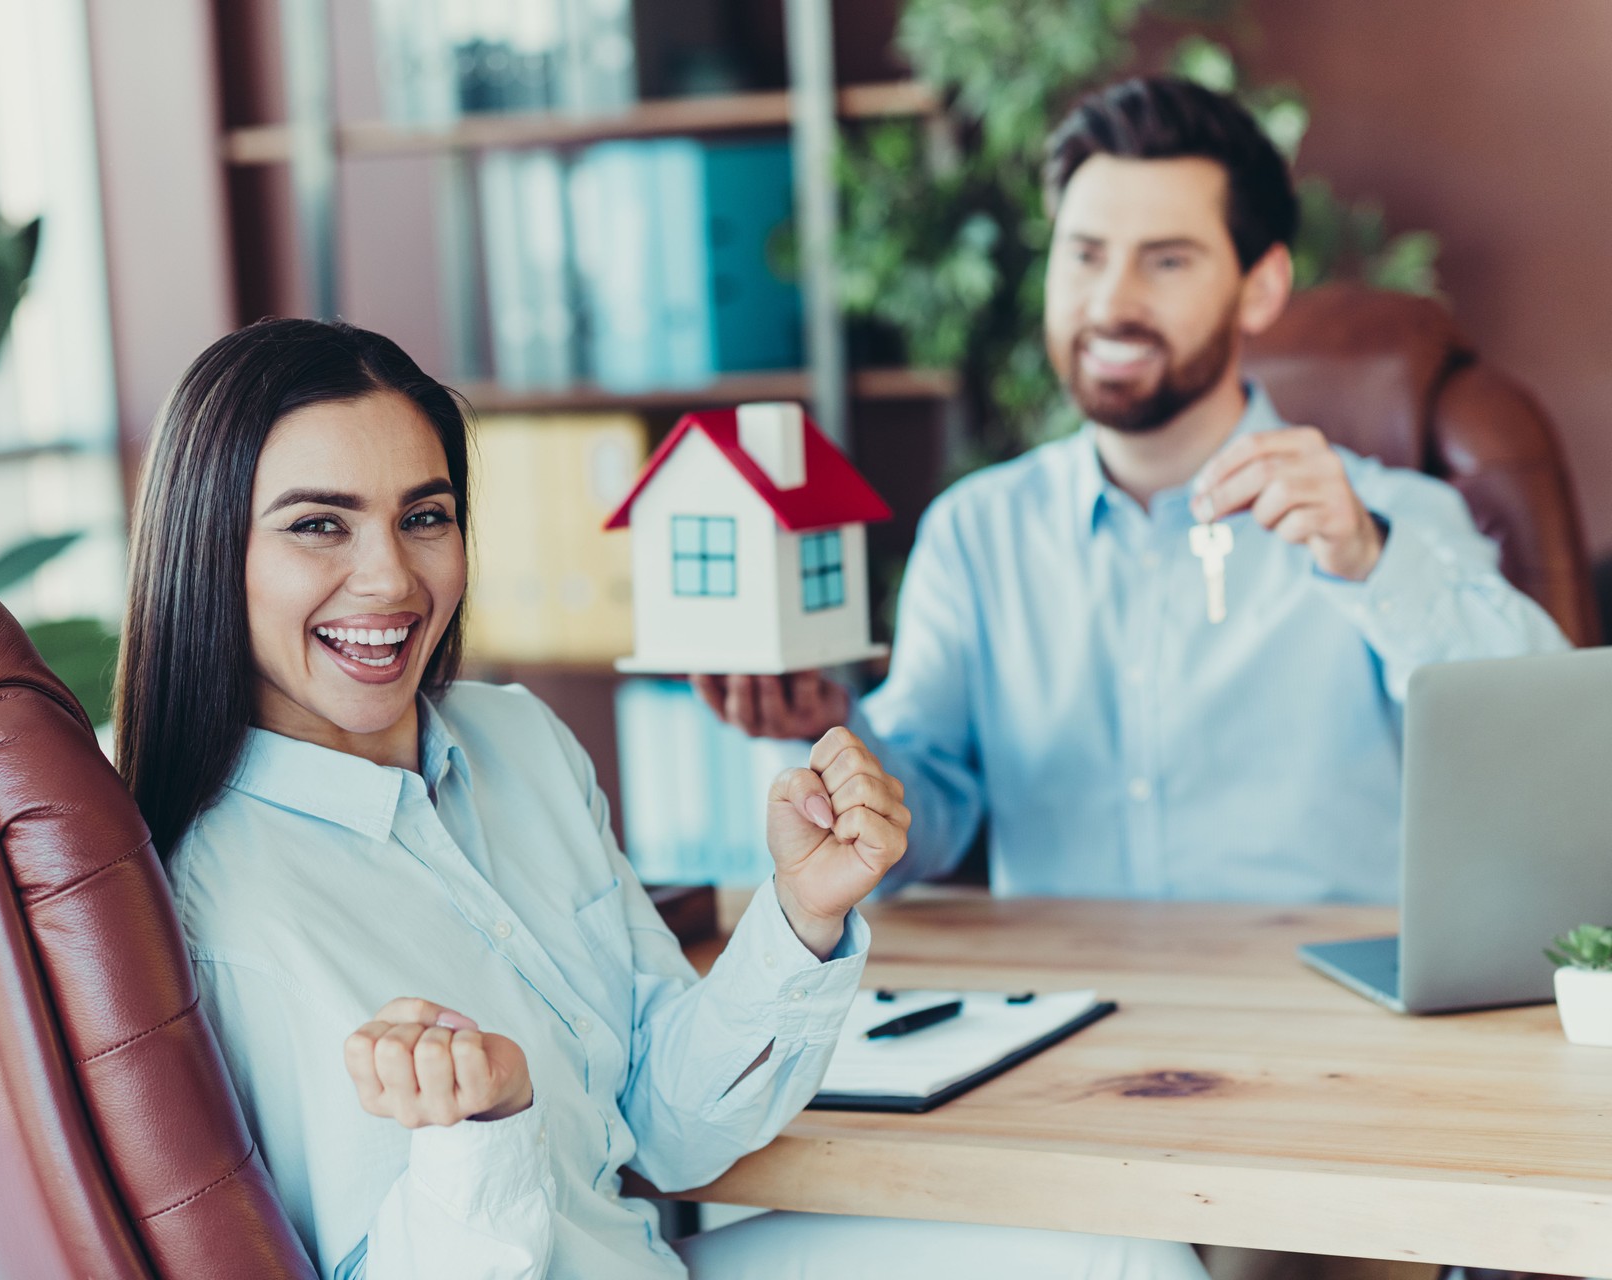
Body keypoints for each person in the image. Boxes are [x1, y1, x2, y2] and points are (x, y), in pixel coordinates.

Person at [114, 317, 1207, 1279]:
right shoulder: (223, 909)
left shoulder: (517, 742)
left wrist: (801, 913)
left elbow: (671, 1127)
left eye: (426, 515)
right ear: (211, 553)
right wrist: (480, 1129)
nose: (393, 579)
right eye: (319, 524)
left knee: (1121, 1252)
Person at [695, 76, 1569, 904]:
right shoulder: (977, 532)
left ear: (1259, 288)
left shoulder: (1386, 516)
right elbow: (926, 823)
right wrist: (828, 743)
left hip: (1323, 1027)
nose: (1110, 302)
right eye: (1084, 255)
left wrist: (1371, 561)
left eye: (1167, 261)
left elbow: (1545, 760)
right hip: (1065, 1027)